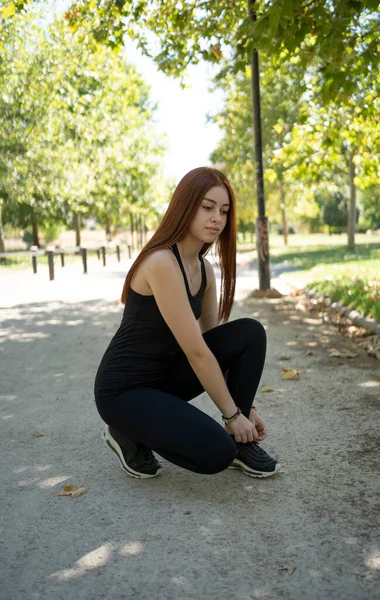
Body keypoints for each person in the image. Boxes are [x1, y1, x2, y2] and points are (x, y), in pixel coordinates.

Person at [94, 167, 281, 479]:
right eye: (207, 207)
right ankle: (127, 431)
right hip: (124, 392)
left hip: (165, 380)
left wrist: (247, 409)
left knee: (249, 333)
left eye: (224, 211)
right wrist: (232, 414)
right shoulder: (161, 263)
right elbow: (196, 353)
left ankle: (241, 440)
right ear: (185, 206)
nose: (217, 219)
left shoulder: (205, 270)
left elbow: (213, 346)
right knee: (218, 454)